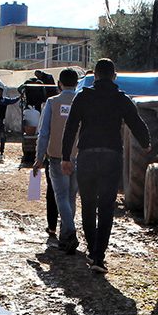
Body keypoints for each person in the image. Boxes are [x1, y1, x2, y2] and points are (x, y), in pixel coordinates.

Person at [61, 59, 151, 273]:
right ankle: (99, 257)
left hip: (87, 157)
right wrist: (146, 143)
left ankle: (92, 253)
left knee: (89, 206)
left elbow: (70, 127)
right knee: (107, 207)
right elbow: (136, 122)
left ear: (95, 76)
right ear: (114, 76)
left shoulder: (82, 97)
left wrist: (66, 157)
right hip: (111, 156)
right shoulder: (121, 98)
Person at [33, 68, 80, 253]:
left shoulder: (52, 103)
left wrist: (38, 158)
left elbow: (43, 133)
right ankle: (64, 236)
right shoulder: (82, 101)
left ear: (59, 84)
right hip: (77, 156)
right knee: (70, 197)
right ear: (77, 84)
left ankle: (69, 233)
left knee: (60, 196)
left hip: (56, 157)